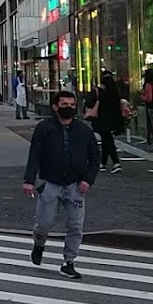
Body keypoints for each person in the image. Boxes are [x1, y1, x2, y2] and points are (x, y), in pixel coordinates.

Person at [23, 88, 101, 279]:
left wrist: (87, 180)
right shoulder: (44, 128)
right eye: (65, 105)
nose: (69, 108)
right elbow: (35, 155)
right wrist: (29, 180)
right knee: (44, 223)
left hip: (75, 184)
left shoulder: (83, 130)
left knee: (75, 225)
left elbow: (94, 157)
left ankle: (69, 261)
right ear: (55, 107)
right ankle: (39, 243)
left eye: (72, 105)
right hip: (50, 182)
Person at [84, 70, 124, 174]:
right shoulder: (115, 91)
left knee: (107, 140)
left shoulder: (99, 91)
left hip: (101, 119)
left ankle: (116, 162)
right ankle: (103, 163)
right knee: (106, 140)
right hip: (114, 119)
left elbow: (89, 103)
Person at [144, 66, 153, 145]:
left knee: (151, 125)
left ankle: (150, 142)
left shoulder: (148, 85)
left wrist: (142, 97)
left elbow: (149, 99)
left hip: (151, 107)